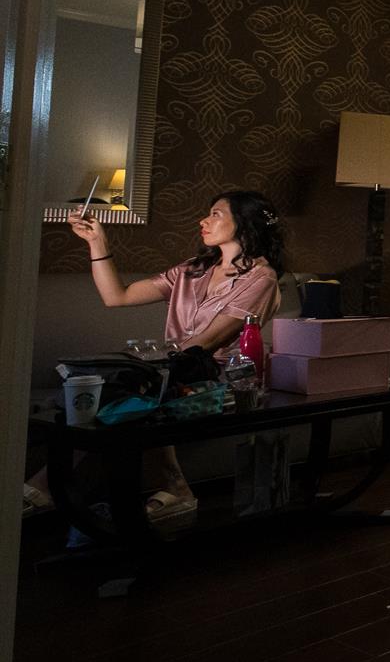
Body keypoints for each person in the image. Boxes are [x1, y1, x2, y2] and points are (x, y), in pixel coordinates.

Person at [46, 189, 285, 522]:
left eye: (215, 214)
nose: (203, 220)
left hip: (222, 379)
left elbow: (207, 342)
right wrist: (96, 242)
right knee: (114, 395)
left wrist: (148, 368)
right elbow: (117, 296)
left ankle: (53, 490)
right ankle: (156, 493)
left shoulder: (262, 279)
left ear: (244, 223)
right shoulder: (193, 270)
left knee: (133, 393)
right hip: (172, 371)